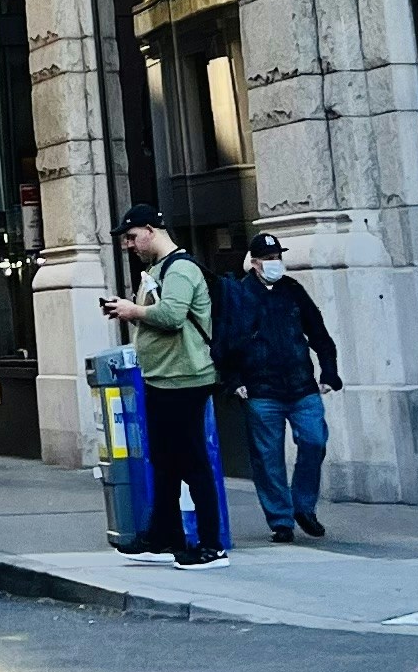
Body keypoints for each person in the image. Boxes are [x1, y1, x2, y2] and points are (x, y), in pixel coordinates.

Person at [100, 202, 225, 566]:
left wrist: (131, 311)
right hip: (163, 378)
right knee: (166, 461)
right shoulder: (158, 269)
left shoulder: (181, 268)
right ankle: (163, 536)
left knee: (193, 462)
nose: (129, 245)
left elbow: (171, 316)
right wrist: (130, 311)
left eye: (133, 237)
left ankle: (211, 545)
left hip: (186, 377)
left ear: (152, 231)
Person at [218, 230, 341, 540]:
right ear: (255, 262)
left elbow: (319, 334)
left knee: (314, 442)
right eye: (269, 259)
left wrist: (329, 372)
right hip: (261, 390)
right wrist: (234, 380)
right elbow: (224, 342)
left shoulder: (293, 290)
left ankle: (303, 506)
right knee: (268, 458)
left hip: (301, 386)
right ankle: (281, 521)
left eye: (278, 257)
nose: (276, 263)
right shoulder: (239, 296)